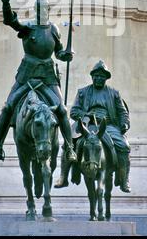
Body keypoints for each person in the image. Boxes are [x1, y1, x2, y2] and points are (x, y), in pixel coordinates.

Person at [0, 0, 77, 163]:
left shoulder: (54, 29)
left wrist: (65, 55)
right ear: (35, 10)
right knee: (8, 107)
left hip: (48, 76)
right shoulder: (28, 27)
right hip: (27, 74)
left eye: (44, 9)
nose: (41, 12)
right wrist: (6, 5)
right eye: (38, 9)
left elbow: (58, 52)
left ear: (48, 10)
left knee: (61, 110)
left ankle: (69, 148)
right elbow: (11, 22)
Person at [55, 60, 131, 192]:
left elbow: (122, 112)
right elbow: (74, 112)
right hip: (86, 125)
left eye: (102, 76)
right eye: (96, 76)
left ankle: (124, 179)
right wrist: (87, 114)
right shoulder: (83, 92)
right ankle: (63, 177)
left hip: (108, 126)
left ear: (106, 78)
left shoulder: (114, 93)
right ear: (92, 77)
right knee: (68, 144)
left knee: (124, 147)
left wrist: (124, 123)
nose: (99, 78)